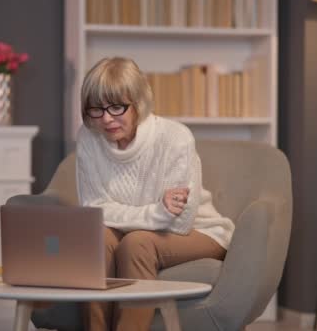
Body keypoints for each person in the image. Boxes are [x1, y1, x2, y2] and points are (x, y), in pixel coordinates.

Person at [76, 57, 235, 331]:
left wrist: (144, 215)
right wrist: (155, 212)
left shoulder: (175, 138)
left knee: (138, 243)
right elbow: (93, 208)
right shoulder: (89, 139)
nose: (106, 119)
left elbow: (180, 221)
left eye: (116, 106)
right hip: (142, 227)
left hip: (200, 230)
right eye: (96, 109)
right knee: (95, 236)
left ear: (138, 101)